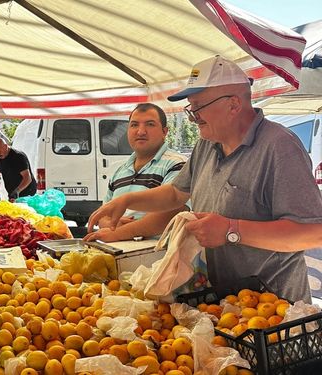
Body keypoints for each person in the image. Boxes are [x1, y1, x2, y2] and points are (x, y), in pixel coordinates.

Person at [88, 55, 322, 302]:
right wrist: (128, 200)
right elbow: (175, 193)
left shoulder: (279, 147)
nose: (192, 117)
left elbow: (312, 232)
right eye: (191, 108)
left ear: (233, 105)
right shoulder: (206, 145)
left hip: (275, 309)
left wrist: (231, 230)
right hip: (225, 301)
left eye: (198, 107)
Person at [84, 103, 188, 242]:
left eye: (150, 124)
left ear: (165, 131)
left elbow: (173, 211)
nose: (140, 131)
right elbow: (104, 212)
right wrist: (111, 224)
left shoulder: (178, 164)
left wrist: (118, 233)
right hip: (122, 255)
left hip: (160, 258)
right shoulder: (120, 171)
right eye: (134, 125)